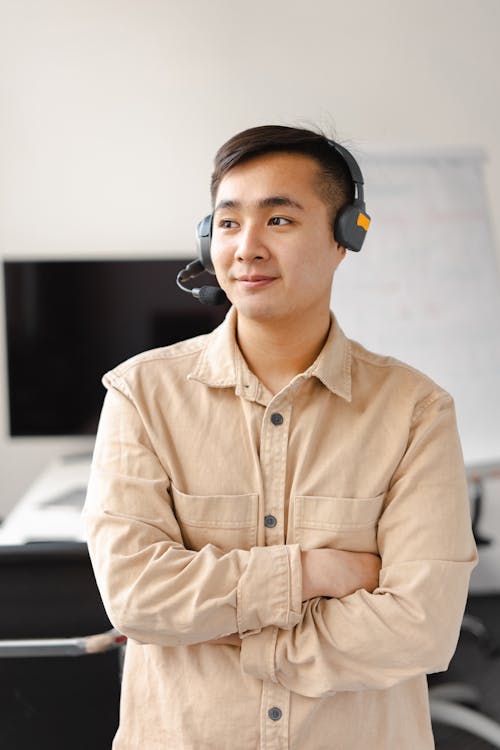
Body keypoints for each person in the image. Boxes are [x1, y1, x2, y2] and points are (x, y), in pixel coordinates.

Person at [83, 125, 478, 749]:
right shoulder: (142, 395)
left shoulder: (414, 410)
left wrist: (229, 629)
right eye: (230, 222)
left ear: (346, 235)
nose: (247, 248)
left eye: (281, 220)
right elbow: (136, 599)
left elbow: (420, 627)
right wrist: (308, 573)